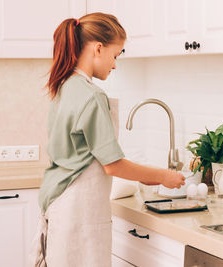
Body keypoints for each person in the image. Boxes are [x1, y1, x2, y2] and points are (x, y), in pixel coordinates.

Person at [29, 12, 185, 267]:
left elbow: (91, 155)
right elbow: (112, 164)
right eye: (115, 55)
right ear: (98, 49)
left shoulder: (64, 86)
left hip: (59, 205)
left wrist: (146, 175)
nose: (114, 65)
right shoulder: (91, 96)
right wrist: (162, 175)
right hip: (79, 213)